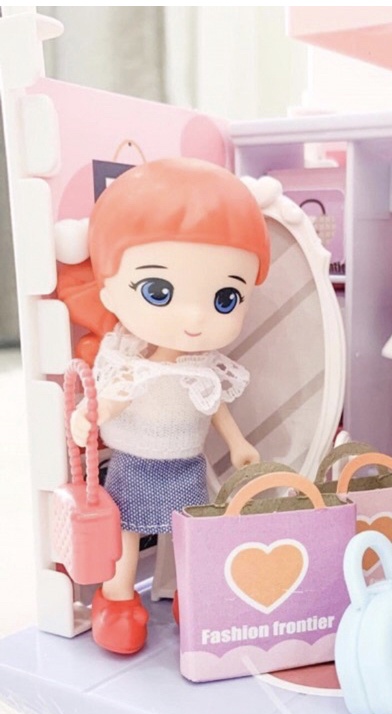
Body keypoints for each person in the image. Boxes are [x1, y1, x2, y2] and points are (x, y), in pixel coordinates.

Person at [62, 158, 270, 655]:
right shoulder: (133, 365)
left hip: (186, 466)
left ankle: (186, 593)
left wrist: (238, 443)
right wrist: (88, 417)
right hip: (134, 466)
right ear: (110, 290)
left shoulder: (203, 368)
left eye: (225, 298)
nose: (194, 317)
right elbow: (112, 400)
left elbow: (212, 403)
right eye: (159, 292)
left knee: (187, 535)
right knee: (127, 533)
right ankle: (117, 598)